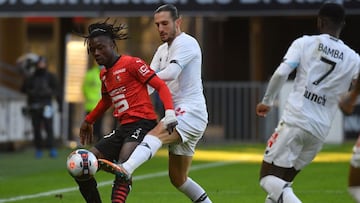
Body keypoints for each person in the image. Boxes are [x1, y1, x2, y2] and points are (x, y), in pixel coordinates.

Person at [99, 4, 212, 203]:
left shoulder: (186, 42)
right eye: (157, 24)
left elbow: (170, 73)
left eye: (165, 23)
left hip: (190, 111)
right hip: (178, 114)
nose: (161, 28)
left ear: (178, 22)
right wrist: (129, 94)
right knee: (178, 179)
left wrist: (133, 80)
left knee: (156, 133)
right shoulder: (161, 50)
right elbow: (149, 84)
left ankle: (126, 168)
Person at [255, 2, 360, 202]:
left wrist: (267, 101)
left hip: (296, 121)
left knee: (267, 177)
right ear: (342, 24)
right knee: (282, 184)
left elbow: (281, 73)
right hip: (320, 131)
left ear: (320, 21)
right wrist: (352, 97)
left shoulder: (304, 43)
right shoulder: (354, 58)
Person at [74, 19, 177, 203]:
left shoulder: (132, 64)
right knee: (80, 164)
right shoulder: (104, 74)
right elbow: (106, 101)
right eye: (92, 50)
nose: (96, 53)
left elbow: (160, 86)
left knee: (123, 167)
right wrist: (88, 120)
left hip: (143, 123)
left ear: (112, 45)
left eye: (100, 47)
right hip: (123, 128)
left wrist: (169, 113)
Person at [21, 55, 62, 159]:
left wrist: (59, 104)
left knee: (49, 128)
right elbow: (23, 89)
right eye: (40, 63)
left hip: (47, 104)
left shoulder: (50, 76)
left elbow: (57, 91)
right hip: (34, 105)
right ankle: (38, 149)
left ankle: (51, 148)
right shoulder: (31, 77)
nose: (41, 65)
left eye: (43, 63)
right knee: (36, 128)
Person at [82, 64, 104, 143]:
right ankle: (89, 141)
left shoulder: (105, 73)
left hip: (101, 105)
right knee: (90, 125)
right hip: (91, 105)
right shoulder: (91, 74)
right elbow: (85, 87)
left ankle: (97, 140)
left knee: (99, 124)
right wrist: (89, 96)